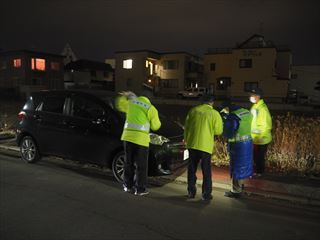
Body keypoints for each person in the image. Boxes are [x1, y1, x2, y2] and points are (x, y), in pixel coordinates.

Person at [115, 91, 161, 196]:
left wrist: (124, 96)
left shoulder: (132, 103)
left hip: (127, 138)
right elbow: (156, 126)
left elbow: (119, 105)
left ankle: (127, 185)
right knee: (141, 166)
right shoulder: (150, 108)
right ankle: (140, 189)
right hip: (141, 141)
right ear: (149, 99)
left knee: (128, 163)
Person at [184, 95, 223, 201]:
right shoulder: (214, 113)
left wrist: (186, 139)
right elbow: (218, 131)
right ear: (212, 103)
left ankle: (191, 191)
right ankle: (206, 194)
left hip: (192, 144)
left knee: (191, 169)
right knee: (206, 171)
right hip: (205, 146)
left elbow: (186, 127)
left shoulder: (193, 111)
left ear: (202, 102)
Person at [220, 100, 253, 198]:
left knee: (236, 167)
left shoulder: (233, 117)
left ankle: (235, 191)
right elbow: (241, 124)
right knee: (244, 166)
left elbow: (228, 133)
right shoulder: (246, 112)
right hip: (247, 144)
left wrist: (225, 120)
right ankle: (241, 185)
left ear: (227, 108)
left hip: (237, 146)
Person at [249, 88, 272, 176]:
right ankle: (257, 171)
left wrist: (259, 135)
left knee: (259, 157)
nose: (251, 97)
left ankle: (259, 172)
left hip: (262, 138)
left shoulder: (262, 108)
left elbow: (266, 125)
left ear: (258, 97)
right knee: (256, 157)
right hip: (256, 138)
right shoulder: (256, 106)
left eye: (252, 95)